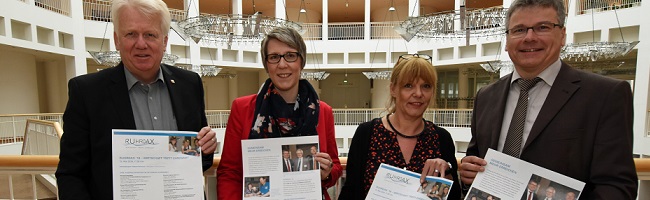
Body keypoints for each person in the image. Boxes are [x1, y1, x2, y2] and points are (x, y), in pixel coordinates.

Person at [459, 0, 638, 199]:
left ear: (562, 35)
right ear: (507, 41)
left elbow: (617, 188)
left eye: (542, 27)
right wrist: (468, 174)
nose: (529, 37)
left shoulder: (605, 95)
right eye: (519, 30)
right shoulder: (486, 96)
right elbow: (474, 163)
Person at [54, 0, 217, 199]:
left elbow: (193, 159)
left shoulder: (189, 85)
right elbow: (71, 174)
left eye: (150, 34)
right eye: (131, 34)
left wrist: (206, 148)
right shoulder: (87, 92)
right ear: (117, 39)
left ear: (164, 41)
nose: (141, 44)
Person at [216, 27, 342, 200]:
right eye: (274, 57)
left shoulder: (323, 111)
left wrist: (327, 172)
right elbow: (229, 172)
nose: (282, 64)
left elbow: (335, 166)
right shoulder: (242, 108)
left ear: (301, 62)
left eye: (290, 55)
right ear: (267, 65)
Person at [338, 54, 460, 199]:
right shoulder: (367, 133)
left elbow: (453, 196)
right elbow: (350, 193)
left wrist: (446, 173)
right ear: (393, 89)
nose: (418, 93)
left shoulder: (441, 138)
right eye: (408, 86)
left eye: (426, 86)